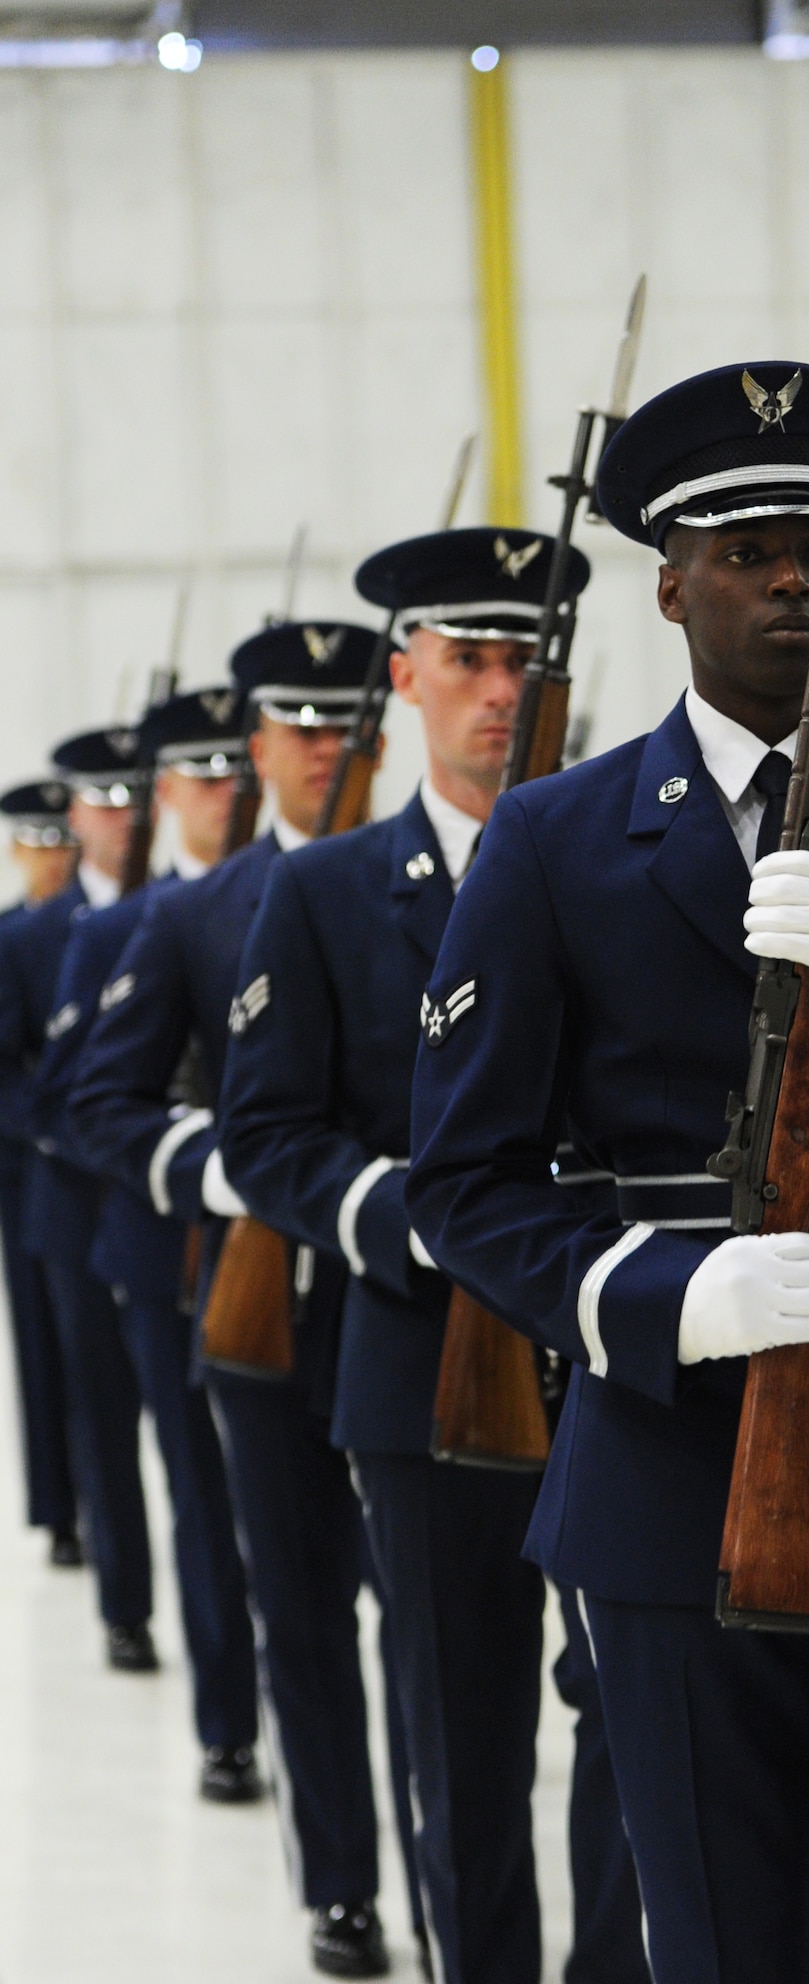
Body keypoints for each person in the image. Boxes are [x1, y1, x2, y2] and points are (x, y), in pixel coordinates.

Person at [407, 361, 809, 1984]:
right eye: (751, 545)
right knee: (719, 1946)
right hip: (673, 1479)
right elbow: (466, 1180)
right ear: (670, 583)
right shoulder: (555, 844)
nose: (792, 580)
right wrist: (664, 1295)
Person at [218, 525, 649, 1984]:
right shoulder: (331, 894)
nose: (503, 690)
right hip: (422, 1367)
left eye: (527, 658)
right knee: (460, 1731)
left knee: (637, 1717)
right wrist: (418, 1213)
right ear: (405, 676)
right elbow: (266, 1136)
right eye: (469, 659)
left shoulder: (629, 864)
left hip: (610, 1355)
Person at [70, 625, 424, 1980]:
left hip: (409, 1300)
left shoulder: (460, 879)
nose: (326, 747)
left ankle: (443, 1854)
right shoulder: (191, 914)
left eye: (346, 725)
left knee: (432, 1620)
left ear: (374, 737)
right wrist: (225, 1171)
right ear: (257, 743)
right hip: (265, 1301)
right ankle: (341, 1881)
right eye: (300, 726)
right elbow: (97, 1098)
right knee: (301, 1607)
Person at [35, 690, 263, 1799]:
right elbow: (84, 1094)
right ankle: (229, 1719)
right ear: (167, 789)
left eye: (236, 770)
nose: (222, 794)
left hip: (294, 1250)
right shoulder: (116, 929)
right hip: (160, 1242)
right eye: (200, 774)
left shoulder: (295, 893)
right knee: (196, 1488)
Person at [0, 724, 160, 1671]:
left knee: (191, 1438)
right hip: (67, 1190)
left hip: (162, 1202)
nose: (118, 816)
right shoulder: (33, 936)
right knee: (96, 1408)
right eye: (100, 799)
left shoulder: (175, 912)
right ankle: (124, 1603)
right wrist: (64, 1130)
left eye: (129, 797)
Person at [0, 780, 80, 1566]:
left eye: (64, 839)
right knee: (42, 1344)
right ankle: (60, 1510)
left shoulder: (113, 921)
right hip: (33, 1168)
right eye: (40, 843)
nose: (54, 859)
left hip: (109, 1161)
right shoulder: (10, 938)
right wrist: (54, 1126)